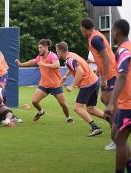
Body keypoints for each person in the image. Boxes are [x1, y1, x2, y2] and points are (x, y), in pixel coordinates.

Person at [56, 42, 107, 137]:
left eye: (57, 51)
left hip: (87, 84)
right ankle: (112, 119)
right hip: (94, 81)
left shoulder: (69, 59)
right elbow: (75, 67)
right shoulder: (72, 55)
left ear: (60, 51)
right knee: (90, 109)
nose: (57, 54)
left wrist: (72, 85)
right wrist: (66, 76)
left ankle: (95, 128)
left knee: (77, 108)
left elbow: (80, 71)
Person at [15, 39, 72, 123]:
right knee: (34, 101)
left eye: (40, 47)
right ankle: (41, 111)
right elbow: (33, 61)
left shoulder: (52, 55)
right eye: (38, 47)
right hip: (44, 85)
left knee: (63, 104)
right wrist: (21, 64)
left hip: (56, 84)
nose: (39, 49)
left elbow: (57, 65)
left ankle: (68, 118)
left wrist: (44, 64)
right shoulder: (39, 57)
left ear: (45, 47)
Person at [81, 17, 117, 149]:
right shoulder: (95, 37)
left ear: (84, 28)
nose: (81, 31)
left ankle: (117, 140)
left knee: (111, 108)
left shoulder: (95, 39)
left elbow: (106, 57)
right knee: (106, 102)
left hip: (112, 74)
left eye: (81, 28)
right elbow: (101, 59)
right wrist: (99, 73)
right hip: (109, 74)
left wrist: (104, 78)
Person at [105, 19, 131, 173]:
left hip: (128, 104)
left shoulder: (123, 50)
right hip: (124, 103)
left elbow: (122, 76)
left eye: (112, 31)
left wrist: (111, 103)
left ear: (117, 32)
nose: (111, 34)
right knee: (116, 134)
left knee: (120, 140)